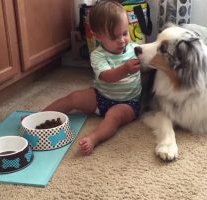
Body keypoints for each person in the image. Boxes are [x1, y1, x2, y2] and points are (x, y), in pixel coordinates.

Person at [43, 0, 141, 155]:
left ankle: (94, 138)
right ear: (98, 36)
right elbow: (106, 77)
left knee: (113, 116)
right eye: (115, 37)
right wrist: (125, 69)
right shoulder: (97, 55)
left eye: (124, 33)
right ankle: (39, 117)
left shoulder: (135, 49)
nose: (122, 40)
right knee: (73, 97)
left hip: (128, 103)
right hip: (101, 96)